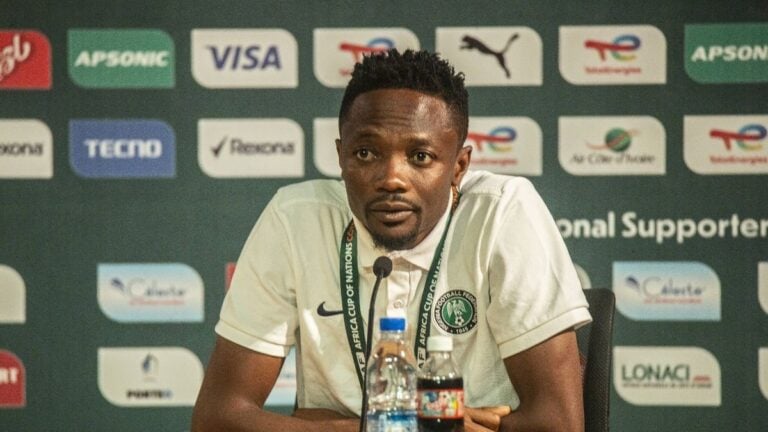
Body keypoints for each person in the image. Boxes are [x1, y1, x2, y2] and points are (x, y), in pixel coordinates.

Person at [191, 49, 591, 432]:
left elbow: (559, 424)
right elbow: (216, 419)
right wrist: (414, 426)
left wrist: (321, 423)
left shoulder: (502, 212)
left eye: (420, 157)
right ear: (341, 156)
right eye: (366, 153)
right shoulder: (295, 219)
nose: (391, 179)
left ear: (459, 166)